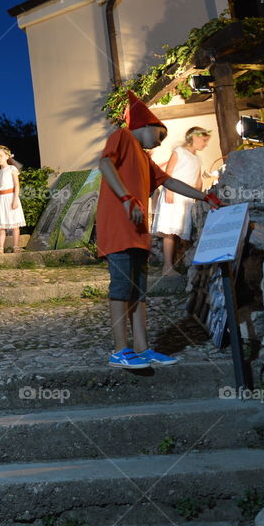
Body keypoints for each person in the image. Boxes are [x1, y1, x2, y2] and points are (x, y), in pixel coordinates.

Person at [98, 92, 221, 370]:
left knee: (139, 292)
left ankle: (142, 348)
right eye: (159, 134)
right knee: (121, 287)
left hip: (137, 232)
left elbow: (171, 182)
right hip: (118, 227)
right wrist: (127, 198)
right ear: (143, 126)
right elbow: (105, 163)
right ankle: (120, 349)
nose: (160, 140)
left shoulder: (145, 160)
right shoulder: (123, 137)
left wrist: (206, 197)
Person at [152, 126, 212, 275]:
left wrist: (199, 195)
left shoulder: (197, 158)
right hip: (174, 195)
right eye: (204, 140)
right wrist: (170, 191)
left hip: (187, 198)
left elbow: (198, 180)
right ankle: (167, 266)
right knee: (170, 231)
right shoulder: (179, 152)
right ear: (195, 138)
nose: (205, 144)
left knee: (184, 231)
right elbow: (169, 173)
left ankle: (185, 263)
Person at [0, 146, 26, 254]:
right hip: (0, 199)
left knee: (14, 223)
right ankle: (1, 247)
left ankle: (15, 246)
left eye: (1, 156)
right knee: (1, 224)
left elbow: (16, 185)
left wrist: (15, 199)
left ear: (7, 156)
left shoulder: (12, 169)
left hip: (10, 197)